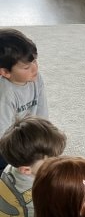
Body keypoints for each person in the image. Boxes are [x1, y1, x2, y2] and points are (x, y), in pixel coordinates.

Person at [0, 29, 48, 173]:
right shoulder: (6, 93)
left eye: (34, 61)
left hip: (24, 134)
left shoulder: (36, 79)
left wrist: (44, 137)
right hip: (6, 140)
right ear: (5, 72)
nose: (35, 68)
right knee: (8, 169)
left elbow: (42, 112)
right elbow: (3, 135)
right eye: (27, 67)